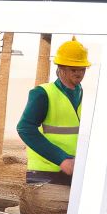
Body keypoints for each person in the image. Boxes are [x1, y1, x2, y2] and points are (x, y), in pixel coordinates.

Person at [17, 38, 90, 186]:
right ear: (60, 68)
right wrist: (61, 158)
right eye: (73, 69)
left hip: (77, 171)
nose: (79, 73)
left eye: (82, 69)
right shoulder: (43, 93)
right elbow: (25, 129)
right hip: (46, 173)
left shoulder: (86, 96)